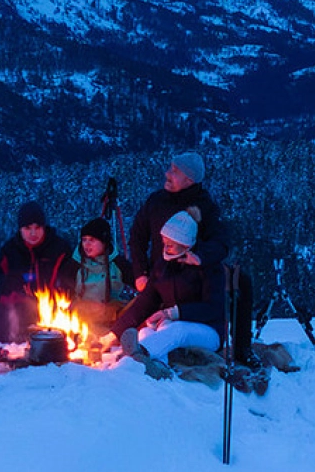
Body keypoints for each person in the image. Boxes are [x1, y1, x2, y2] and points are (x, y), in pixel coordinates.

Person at [112, 210, 226, 368]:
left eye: (170, 245)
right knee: (146, 332)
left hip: (209, 331)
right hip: (170, 325)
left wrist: (173, 313)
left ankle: (135, 357)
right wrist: (114, 333)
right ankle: (159, 367)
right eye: (164, 242)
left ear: (185, 245)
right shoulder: (163, 267)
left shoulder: (208, 268)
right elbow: (145, 302)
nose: (165, 248)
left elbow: (213, 308)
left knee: (177, 330)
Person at [0, 200, 75, 343]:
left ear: (44, 227)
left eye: (37, 227)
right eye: (28, 228)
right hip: (17, 312)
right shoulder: (9, 251)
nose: (33, 233)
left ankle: (9, 334)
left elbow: (69, 283)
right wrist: (12, 296)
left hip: (52, 312)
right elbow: (1, 287)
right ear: (20, 229)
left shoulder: (60, 249)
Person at [126, 151, 227, 289]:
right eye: (170, 169)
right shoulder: (156, 201)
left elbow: (220, 243)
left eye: (175, 171)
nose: (167, 174)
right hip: (157, 281)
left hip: (191, 286)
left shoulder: (206, 208)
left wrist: (199, 257)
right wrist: (141, 273)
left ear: (189, 180)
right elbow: (137, 236)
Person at [70, 217, 134, 333]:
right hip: (81, 324)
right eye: (84, 240)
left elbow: (137, 288)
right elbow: (64, 294)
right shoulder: (74, 265)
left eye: (92, 240)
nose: (87, 244)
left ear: (104, 242)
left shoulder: (119, 264)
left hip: (112, 323)